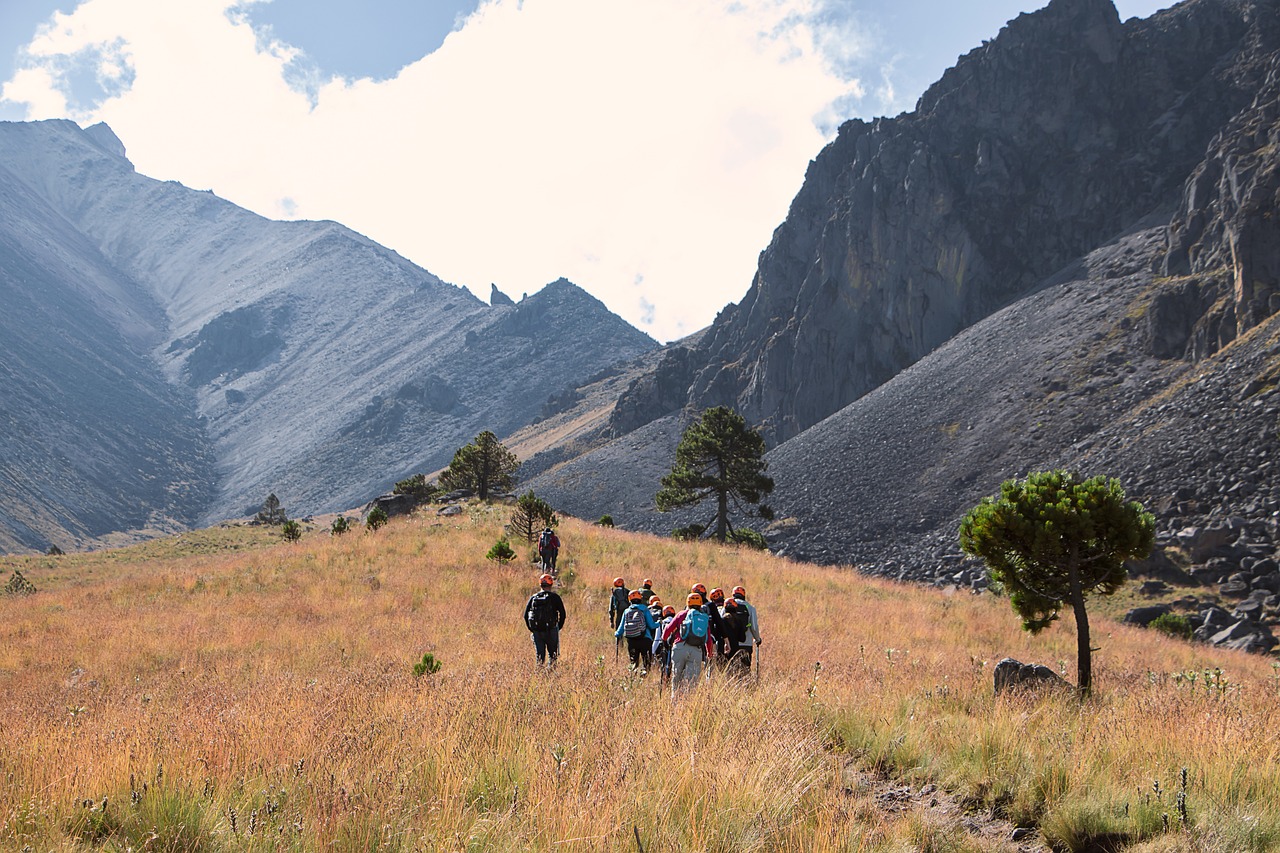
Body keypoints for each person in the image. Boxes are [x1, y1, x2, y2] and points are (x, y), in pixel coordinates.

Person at [662, 593, 713, 693]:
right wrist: (709, 653)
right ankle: (687, 702)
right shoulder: (703, 617)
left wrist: (664, 640)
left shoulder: (681, 614)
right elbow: (708, 639)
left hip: (680, 647)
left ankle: (675, 702)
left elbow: (668, 629)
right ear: (700, 603)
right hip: (696, 650)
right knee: (691, 681)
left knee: (677, 677)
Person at [524, 573, 566, 668]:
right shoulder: (555, 598)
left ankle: (539, 677)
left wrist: (533, 629)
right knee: (553, 657)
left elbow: (525, 615)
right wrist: (558, 627)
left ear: (540, 584)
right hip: (551, 629)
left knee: (539, 657)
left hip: (537, 631)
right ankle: (551, 676)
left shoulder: (534, 598)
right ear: (551, 584)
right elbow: (563, 614)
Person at [615, 589, 659, 672]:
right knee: (647, 663)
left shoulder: (626, 611)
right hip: (645, 639)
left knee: (633, 663)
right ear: (640, 598)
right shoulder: (645, 609)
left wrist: (617, 634)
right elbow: (651, 625)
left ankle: (633, 678)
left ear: (629, 599)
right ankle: (644, 678)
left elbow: (621, 629)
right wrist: (659, 623)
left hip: (631, 640)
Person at [730, 585, 762, 669]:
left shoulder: (727, 605)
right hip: (746, 643)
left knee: (731, 670)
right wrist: (758, 639)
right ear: (744, 595)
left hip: (730, 644)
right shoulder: (750, 608)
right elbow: (754, 627)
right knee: (745, 670)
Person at [652, 604, 677, 683]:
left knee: (665, 665)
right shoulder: (676, 621)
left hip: (664, 647)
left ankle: (665, 682)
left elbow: (657, 638)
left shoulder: (661, 623)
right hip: (676, 646)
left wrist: (653, 652)